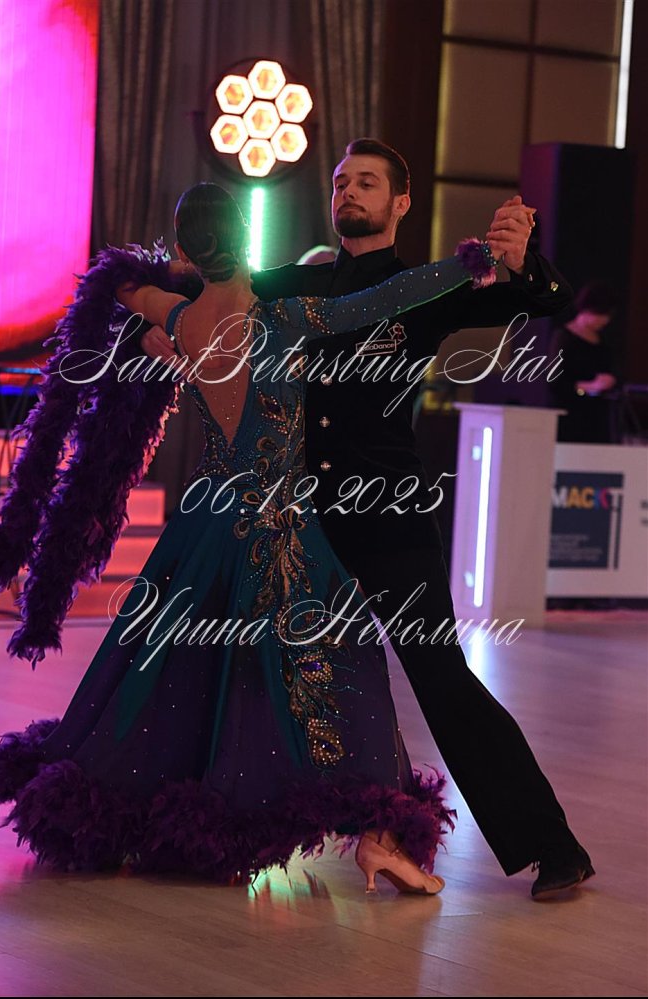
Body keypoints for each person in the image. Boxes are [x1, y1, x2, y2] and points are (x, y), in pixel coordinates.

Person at [0, 183, 502, 891]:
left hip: (204, 523)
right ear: (247, 241)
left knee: (176, 672)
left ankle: (179, 818)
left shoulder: (181, 317)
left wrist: (158, 289)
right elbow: (390, 297)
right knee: (345, 663)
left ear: (188, 250)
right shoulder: (287, 317)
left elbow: (122, 286)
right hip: (281, 526)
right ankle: (380, 835)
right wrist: (471, 261)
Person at [139, 139, 595, 900]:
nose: (349, 191)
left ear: (400, 202)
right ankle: (224, 825)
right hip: (299, 524)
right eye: (342, 181)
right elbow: (195, 292)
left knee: (441, 677)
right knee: (256, 667)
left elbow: (542, 299)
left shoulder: (426, 288)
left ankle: (553, 845)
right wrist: (148, 326)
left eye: (369, 182)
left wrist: (524, 260)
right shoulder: (293, 284)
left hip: (387, 519)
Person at [548, 282, 620, 443]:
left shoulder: (604, 340)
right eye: (600, 314)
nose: (605, 320)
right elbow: (555, 381)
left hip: (598, 417)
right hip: (571, 416)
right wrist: (587, 386)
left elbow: (614, 369)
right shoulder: (563, 337)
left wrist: (611, 380)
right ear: (586, 310)